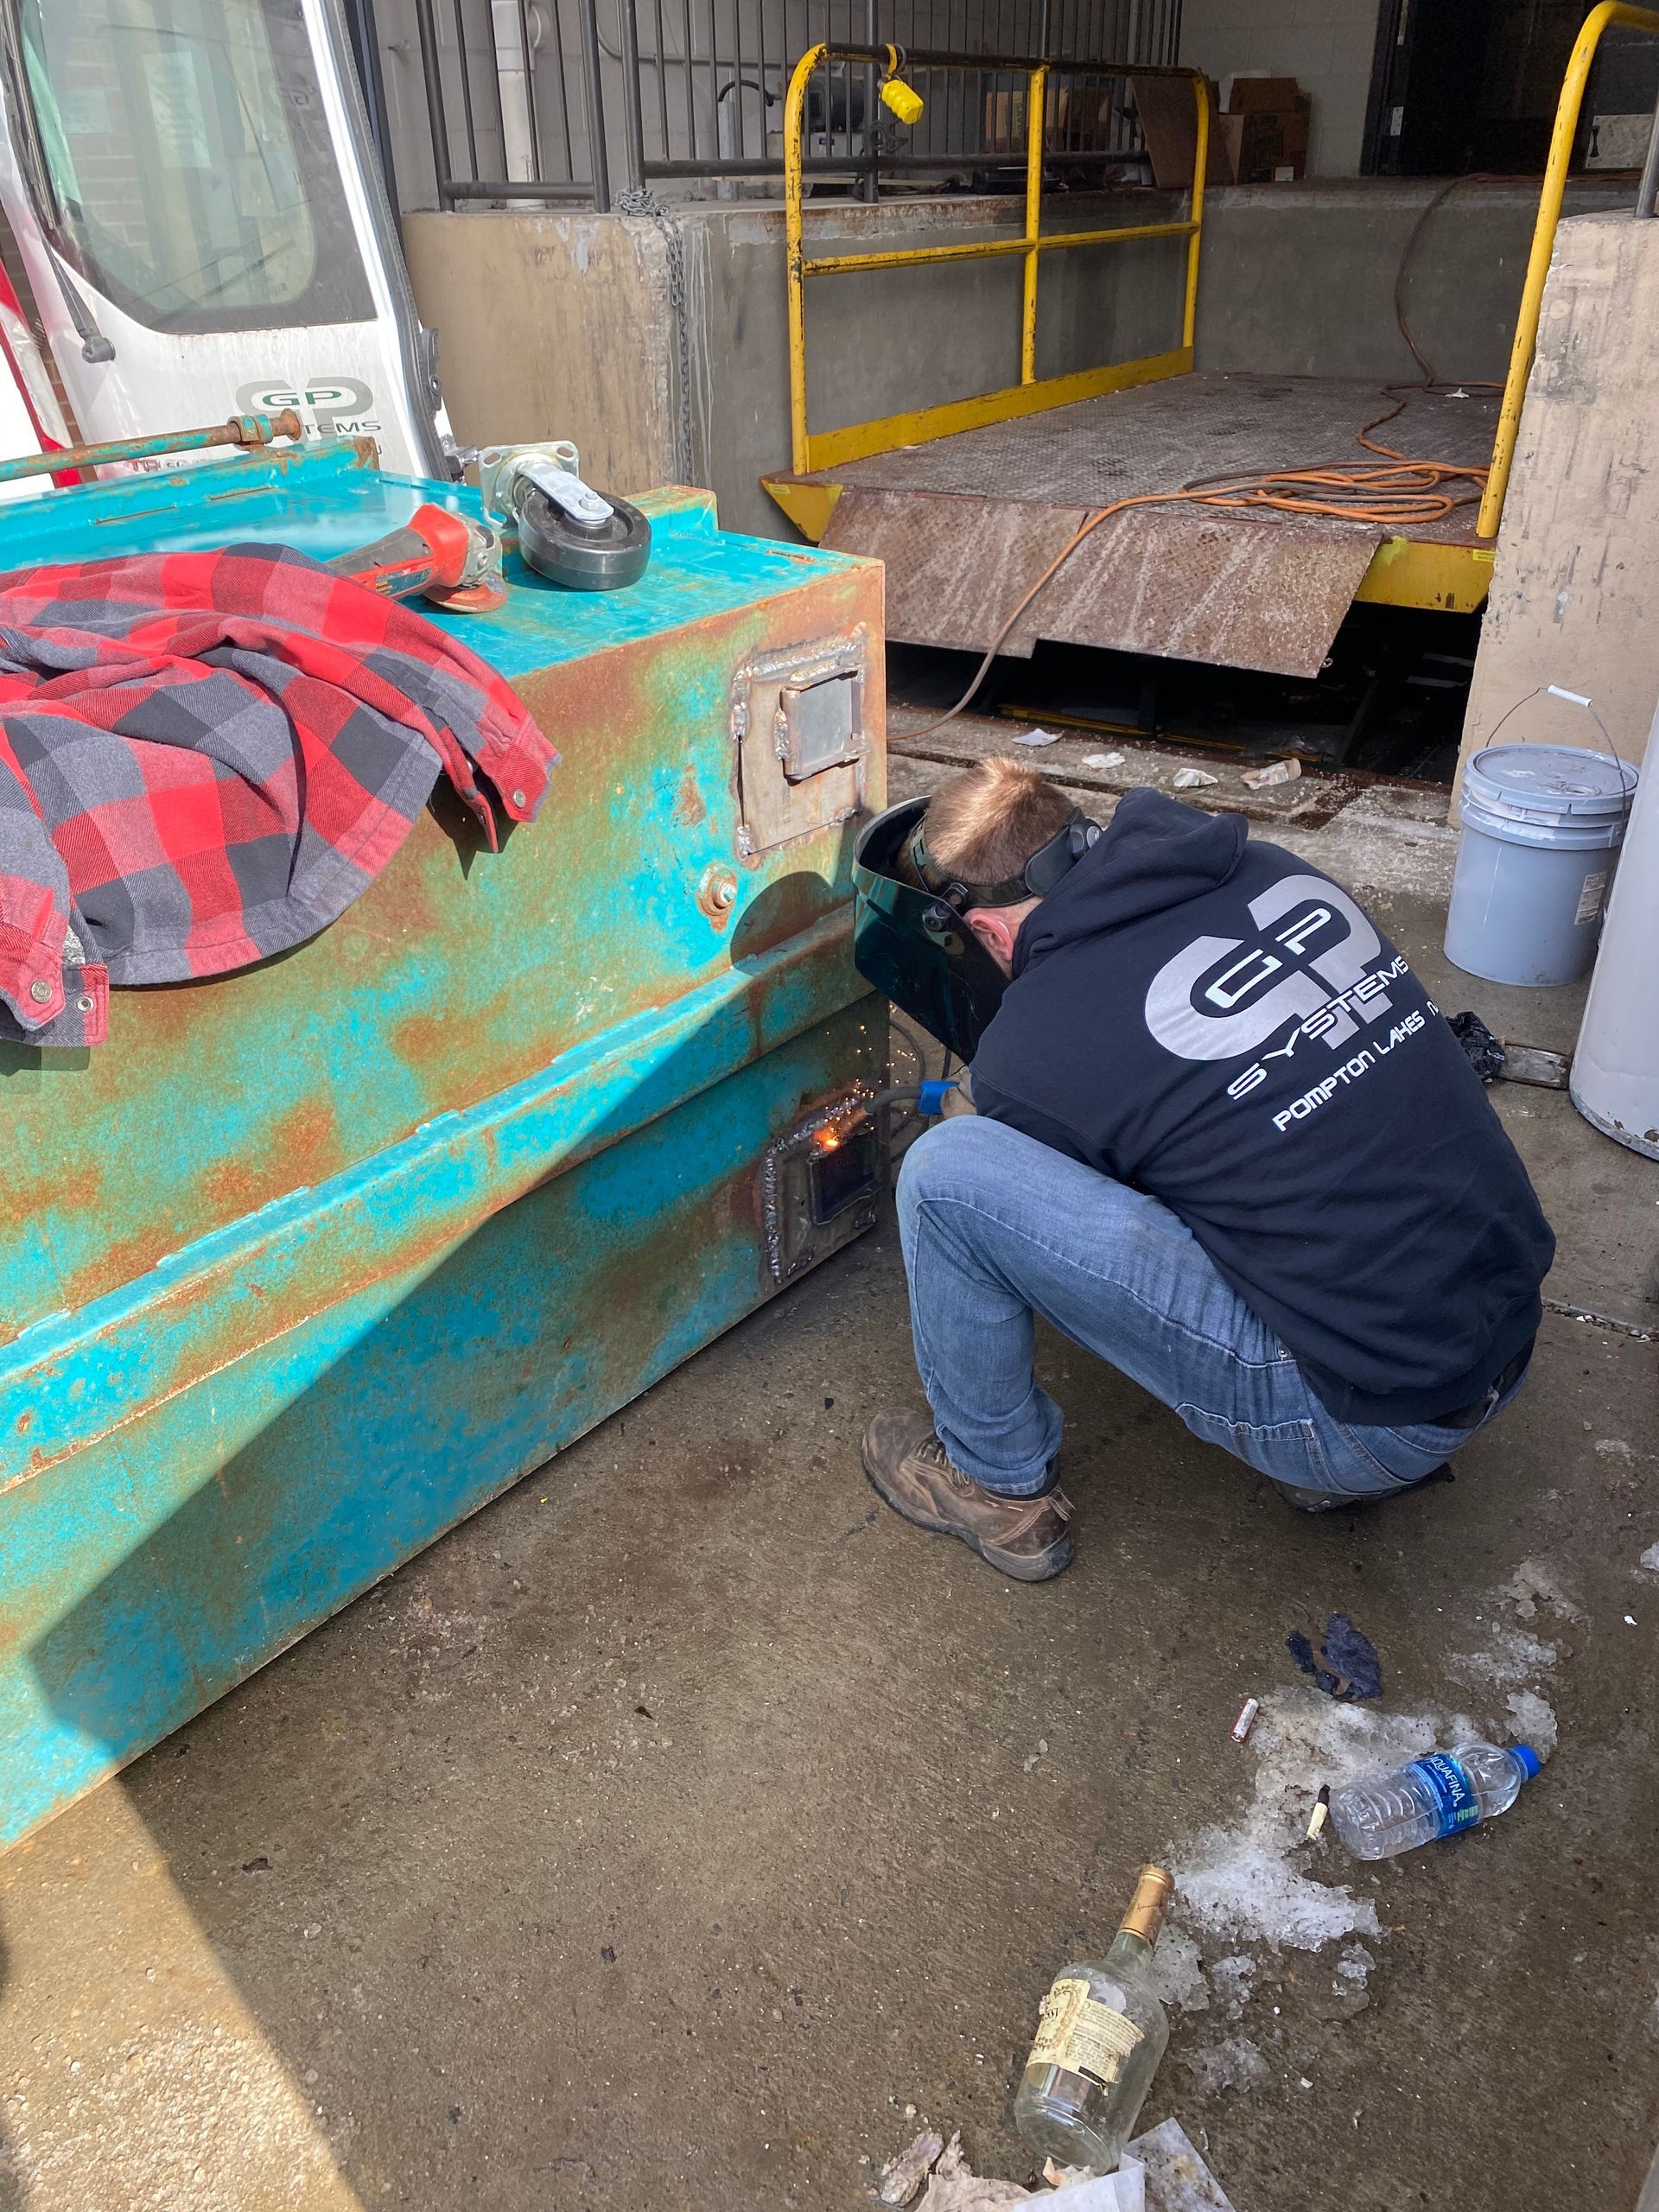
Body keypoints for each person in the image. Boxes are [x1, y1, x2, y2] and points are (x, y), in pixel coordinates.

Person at [861, 758, 1554, 1581]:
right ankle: (1341, 1445)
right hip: (1501, 1333)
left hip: (1367, 1422)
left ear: (988, 931)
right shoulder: (1273, 872)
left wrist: (994, 1110)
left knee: (946, 1175)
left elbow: (1020, 1183)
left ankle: (994, 1483)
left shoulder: (1040, 1039)